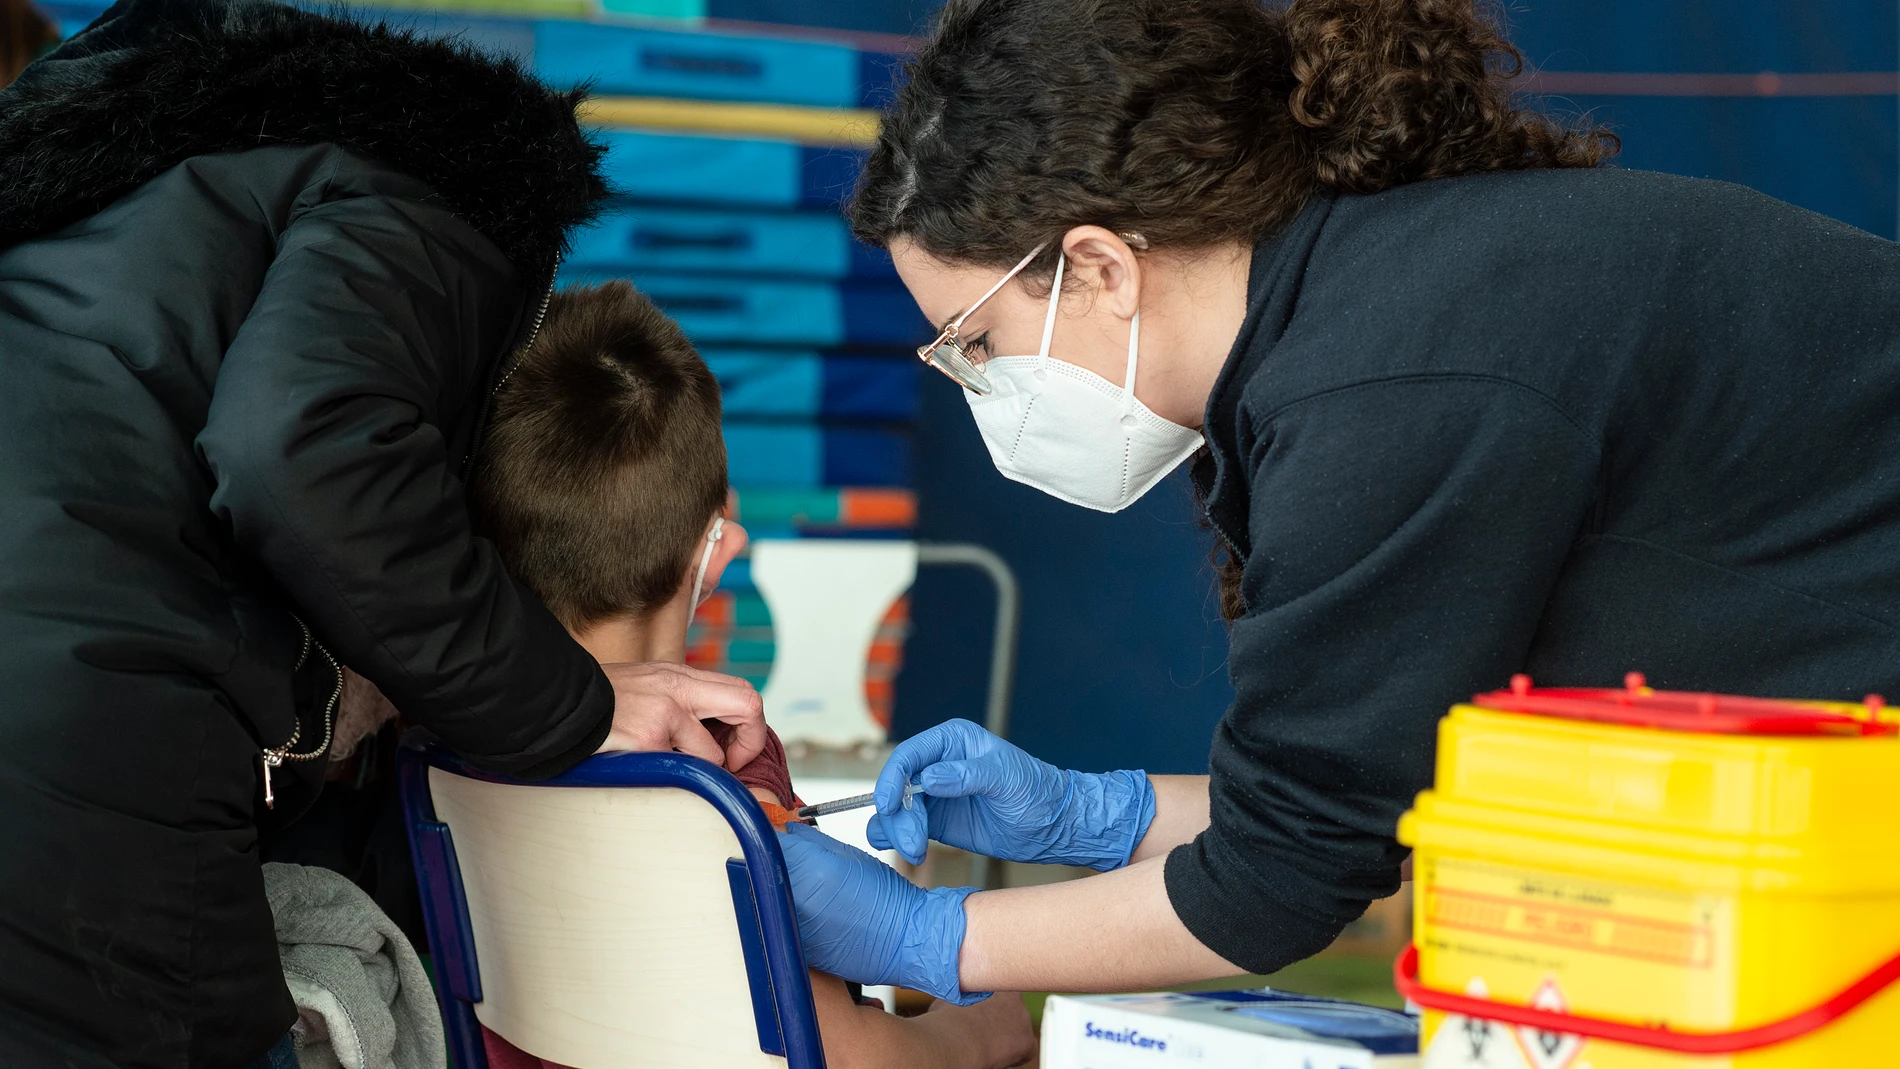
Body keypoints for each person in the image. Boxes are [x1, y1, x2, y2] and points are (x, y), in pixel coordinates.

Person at [775, 0, 1900, 1011]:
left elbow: (1281, 882)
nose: (977, 382)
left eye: (975, 344)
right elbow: (1350, 807)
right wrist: (1095, 814)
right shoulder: (1363, 313)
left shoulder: (1390, 384)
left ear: (1102, 267)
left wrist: (923, 931)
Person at [0, 2, 762, 1065]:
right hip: (82, 745)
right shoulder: (441, 187)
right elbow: (299, 452)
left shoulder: (120, 214)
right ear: (708, 550)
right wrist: (567, 710)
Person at [433, 280, 1037, 1069]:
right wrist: (986, 1029)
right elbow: (844, 1057)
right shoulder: (723, 771)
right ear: (718, 546)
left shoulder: (438, 739)